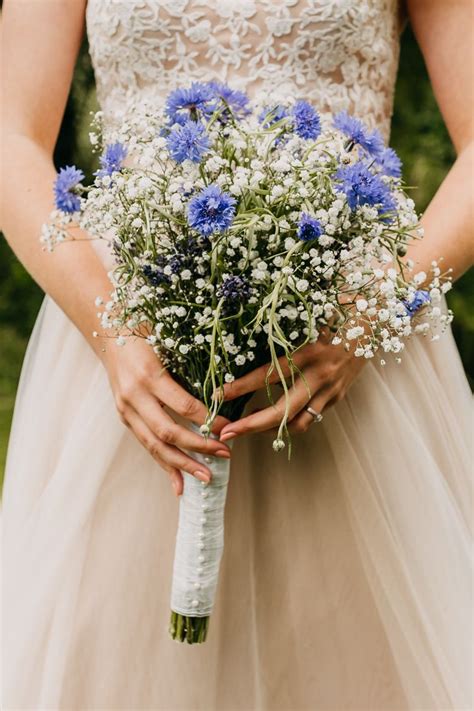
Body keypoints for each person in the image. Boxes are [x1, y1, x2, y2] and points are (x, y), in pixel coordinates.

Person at [2, 1, 472, 708]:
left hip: (353, 364)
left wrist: (369, 315)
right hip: (128, 360)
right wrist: (112, 334)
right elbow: (11, 135)